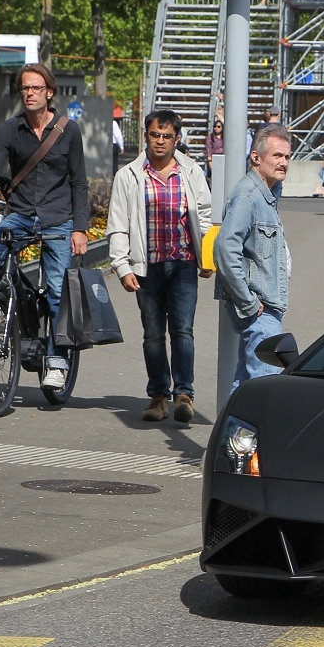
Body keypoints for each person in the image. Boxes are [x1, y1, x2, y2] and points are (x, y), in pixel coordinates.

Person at [0, 63, 89, 390]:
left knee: (57, 290)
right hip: (21, 214)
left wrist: (80, 228)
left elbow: (79, 182)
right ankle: (23, 298)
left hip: (58, 219)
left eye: (35, 88)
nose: (29, 93)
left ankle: (57, 360)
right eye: (24, 88)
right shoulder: (9, 131)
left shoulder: (69, 130)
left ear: (49, 93)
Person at [107, 110, 212, 424]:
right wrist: (122, 266)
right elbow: (118, 223)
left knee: (183, 331)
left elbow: (204, 217)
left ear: (177, 139)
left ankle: (183, 395)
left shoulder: (191, 172)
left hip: (183, 264)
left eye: (167, 136)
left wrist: (207, 256)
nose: (161, 141)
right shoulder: (129, 175)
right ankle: (158, 396)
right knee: (153, 335)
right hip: (146, 265)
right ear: (146, 136)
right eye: (155, 135)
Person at [214, 123, 292, 390]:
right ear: (256, 158)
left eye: (287, 157)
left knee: (247, 383)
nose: (283, 162)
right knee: (264, 386)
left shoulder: (266, 193)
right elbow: (224, 248)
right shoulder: (248, 196)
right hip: (260, 308)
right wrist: (247, 301)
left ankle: (231, 431)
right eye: (277, 156)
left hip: (266, 306)